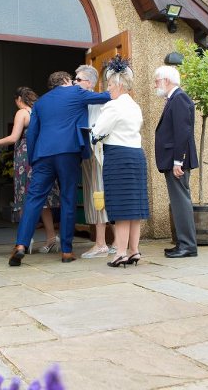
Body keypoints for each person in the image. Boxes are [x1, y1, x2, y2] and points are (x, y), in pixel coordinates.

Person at [7, 71, 110, 266]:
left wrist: (33, 160)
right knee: (68, 198)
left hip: (43, 155)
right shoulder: (76, 92)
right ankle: (66, 251)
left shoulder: (41, 103)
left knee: (33, 199)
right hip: (68, 152)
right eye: (72, 80)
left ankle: (20, 245)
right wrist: (114, 86)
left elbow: (32, 134)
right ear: (65, 81)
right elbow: (105, 97)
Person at [0, 86, 60, 253]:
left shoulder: (22, 113)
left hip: (26, 157)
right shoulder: (40, 112)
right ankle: (51, 238)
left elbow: (14, 137)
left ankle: (25, 240)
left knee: (25, 197)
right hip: (42, 155)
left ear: (18, 99)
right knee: (43, 199)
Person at [90, 56, 149, 267]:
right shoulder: (135, 106)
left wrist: (93, 134)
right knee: (135, 208)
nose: (108, 89)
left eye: (109, 84)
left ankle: (120, 253)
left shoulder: (113, 107)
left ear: (118, 84)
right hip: (136, 156)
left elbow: (98, 131)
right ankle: (134, 251)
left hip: (119, 157)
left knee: (123, 207)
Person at [154, 64, 199, 258]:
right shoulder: (174, 98)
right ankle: (183, 242)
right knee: (179, 201)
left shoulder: (179, 98)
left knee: (181, 202)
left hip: (177, 162)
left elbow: (183, 132)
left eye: (157, 81)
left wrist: (178, 161)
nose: (155, 84)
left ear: (166, 80)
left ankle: (188, 245)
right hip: (174, 160)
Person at [73, 65, 114, 259]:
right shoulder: (80, 100)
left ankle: (101, 243)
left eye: (78, 79)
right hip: (86, 154)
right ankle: (109, 242)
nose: (74, 82)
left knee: (99, 194)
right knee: (93, 195)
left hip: (97, 152)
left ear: (89, 83)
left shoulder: (99, 101)